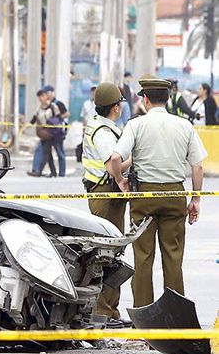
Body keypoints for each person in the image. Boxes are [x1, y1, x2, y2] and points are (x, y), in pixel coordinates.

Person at [106, 75, 207, 309]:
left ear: (146, 100)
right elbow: (198, 166)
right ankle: (176, 315)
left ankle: (144, 316)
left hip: (144, 198)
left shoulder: (136, 125)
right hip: (174, 195)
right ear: (169, 98)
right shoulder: (184, 125)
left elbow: (115, 158)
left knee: (143, 258)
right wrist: (196, 199)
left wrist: (120, 180)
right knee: (173, 257)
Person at [81, 82, 132, 327]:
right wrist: (123, 176)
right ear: (115, 107)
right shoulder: (103, 131)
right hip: (105, 194)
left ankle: (108, 309)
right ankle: (103, 310)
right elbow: (112, 163)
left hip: (102, 192)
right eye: (120, 102)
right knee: (109, 252)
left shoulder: (99, 124)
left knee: (111, 251)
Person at [27, 90, 57, 177]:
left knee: (45, 152)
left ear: (46, 96)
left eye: (42, 95)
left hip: (51, 133)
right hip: (43, 133)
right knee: (48, 153)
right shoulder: (39, 109)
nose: (41, 98)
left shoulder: (53, 107)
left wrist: (52, 125)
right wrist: (25, 127)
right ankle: (53, 172)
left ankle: (39, 171)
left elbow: (58, 118)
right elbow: (33, 120)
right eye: (39, 96)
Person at [41, 85, 68, 176]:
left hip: (58, 132)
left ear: (51, 93)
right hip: (49, 133)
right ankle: (53, 172)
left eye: (47, 93)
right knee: (48, 153)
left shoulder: (58, 103)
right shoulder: (45, 104)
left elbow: (67, 114)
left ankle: (62, 173)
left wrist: (55, 121)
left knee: (60, 152)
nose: (45, 95)